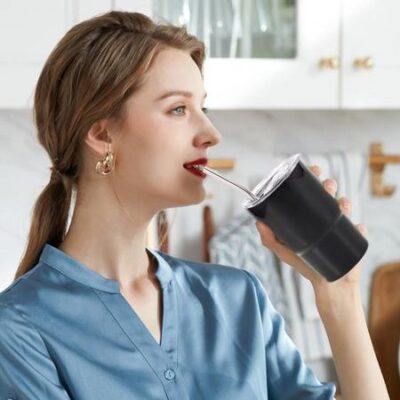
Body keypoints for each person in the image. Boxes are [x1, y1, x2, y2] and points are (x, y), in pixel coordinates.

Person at [0, 10, 389, 400]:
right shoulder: (19, 330)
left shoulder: (238, 299)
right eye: (178, 109)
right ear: (102, 135)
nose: (211, 134)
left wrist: (340, 293)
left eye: (204, 108)